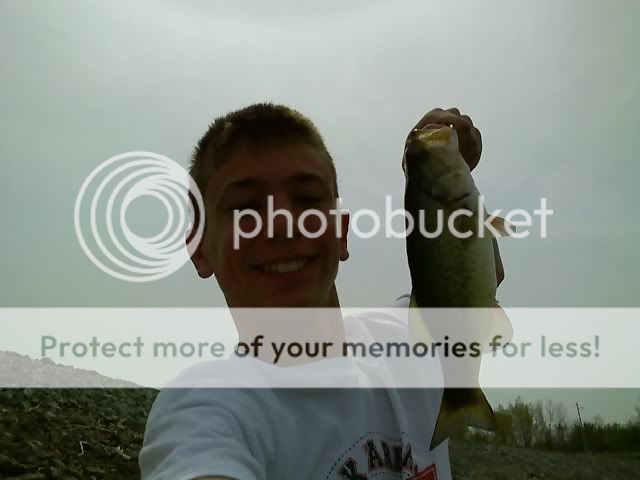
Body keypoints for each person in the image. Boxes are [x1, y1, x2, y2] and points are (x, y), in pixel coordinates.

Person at [139, 103, 501, 480]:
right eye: (245, 208)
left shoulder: (410, 334)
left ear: (341, 233)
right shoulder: (207, 408)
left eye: (308, 198)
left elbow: (468, 276)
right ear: (200, 251)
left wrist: (428, 165)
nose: (282, 226)